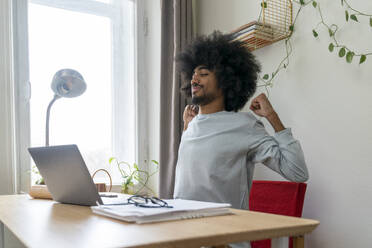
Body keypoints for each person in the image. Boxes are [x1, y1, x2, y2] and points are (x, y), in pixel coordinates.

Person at [172, 31, 308, 248]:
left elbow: (298, 172)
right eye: (193, 73)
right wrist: (188, 128)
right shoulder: (192, 125)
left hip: (224, 242)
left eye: (204, 73)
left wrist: (272, 116)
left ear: (226, 81)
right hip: (185, 238)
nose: (194, 79)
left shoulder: (245, 126)